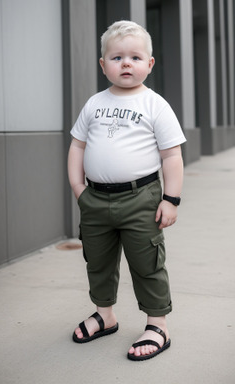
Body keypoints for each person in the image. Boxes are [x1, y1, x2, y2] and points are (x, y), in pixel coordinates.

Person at [68, 20, 186, 361]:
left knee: (146, 261)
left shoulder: (155, 105)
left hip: (141, 199)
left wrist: (171, 199)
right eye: (117, 57)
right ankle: (104, 315)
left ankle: (157, 324)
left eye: (135, 57)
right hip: (95, 197)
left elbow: (172, 156)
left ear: (149, 64)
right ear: (104, 65)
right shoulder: (94, 104)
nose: (126, 64)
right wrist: (78, 187)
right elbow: (77, 146)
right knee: (98, 260)